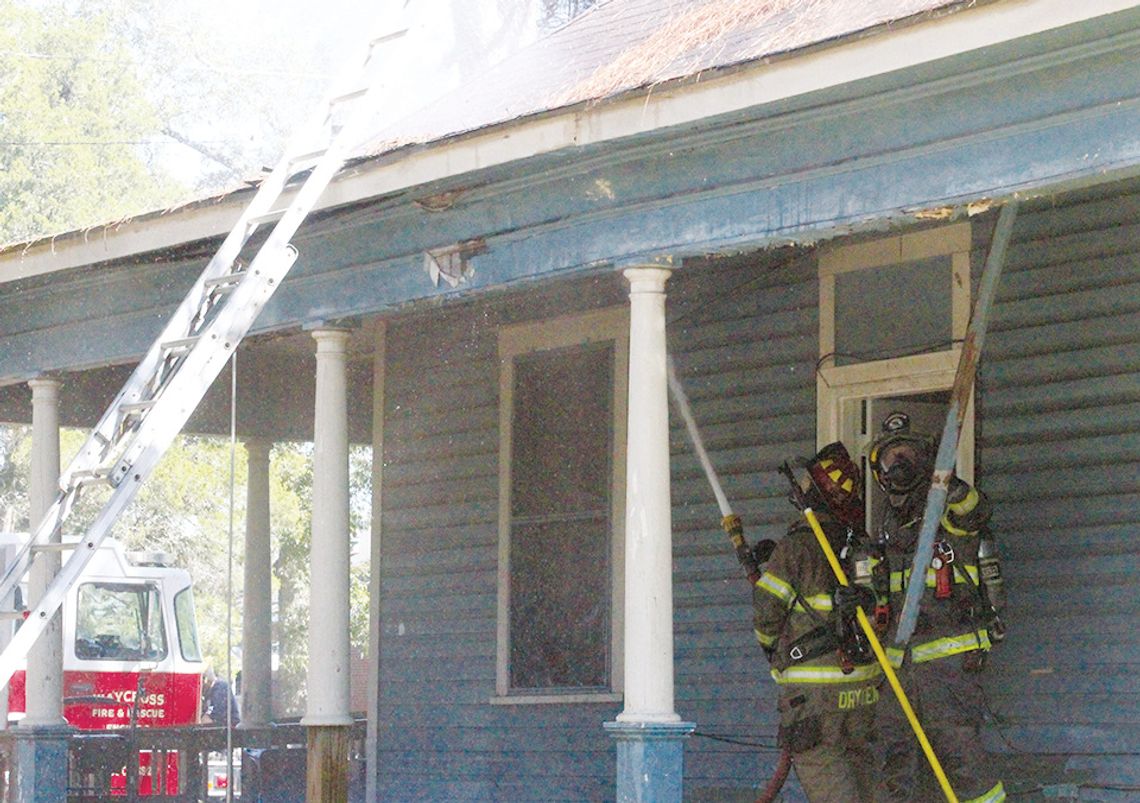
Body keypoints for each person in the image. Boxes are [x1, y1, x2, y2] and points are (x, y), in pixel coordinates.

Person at [867, 412, 1006, 803]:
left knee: (963, 762)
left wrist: (949, 486)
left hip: (946, 669)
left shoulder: (945, 511)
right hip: (900, 669)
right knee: (895, 762)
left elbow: (975, 512)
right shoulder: (889, 526)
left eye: (907, 454)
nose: (899, 465)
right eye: (891, 456)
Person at [753, 442, 880, 803]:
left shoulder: (794, 549)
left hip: (813, 700)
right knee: (866, 778)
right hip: (864, 692)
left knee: (832, 786)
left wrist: (772, 650)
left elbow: (766, 613)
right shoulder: (863, 547)